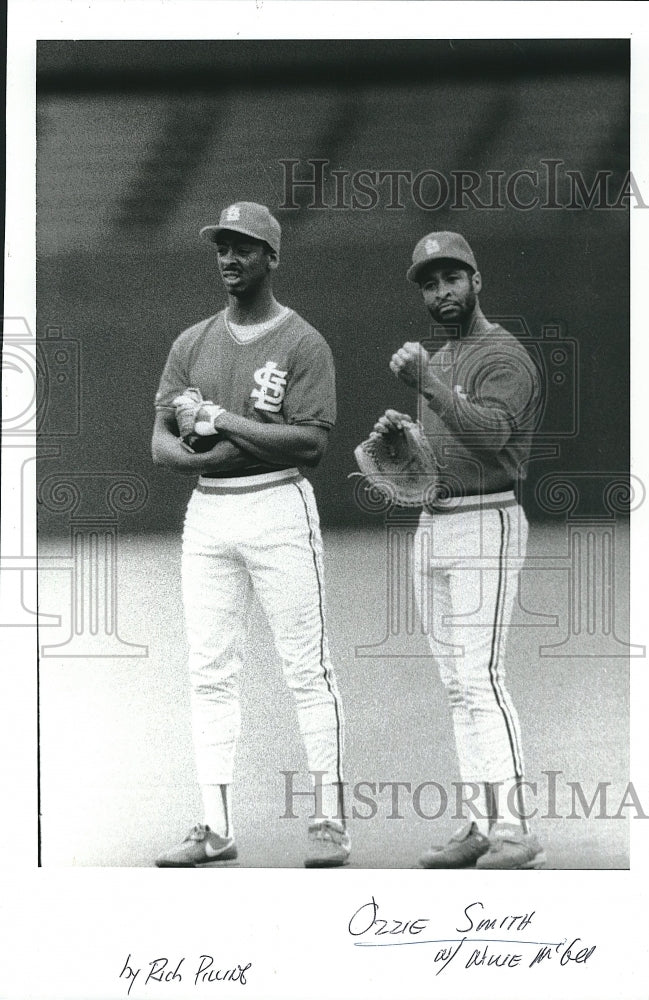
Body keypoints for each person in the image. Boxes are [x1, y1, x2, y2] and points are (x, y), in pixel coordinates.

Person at [151, 201, 349, 868]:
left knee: (307, 669)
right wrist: (201, 452)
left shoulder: (301, 342)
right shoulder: (191, 341)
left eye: (244, 247)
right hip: (208, 512)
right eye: (222, 247)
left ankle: (327, 820)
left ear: (271, 256)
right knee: (208, 671)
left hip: (278, 509)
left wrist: (223, 423)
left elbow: (311, 442)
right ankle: (214, 826)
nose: (229, 258)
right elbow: (160, 441)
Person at [373, 231, 545, 869]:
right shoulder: (437, 357)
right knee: (456, 686)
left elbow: (495, 435)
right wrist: (404, 437)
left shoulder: (505, 354)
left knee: (482, 678)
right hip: (435, 523)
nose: (441, 292)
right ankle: (480, 823)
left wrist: (429, 386)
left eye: (452, 278)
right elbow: (443, 446)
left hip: (486, 522)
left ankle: (517, 830)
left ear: (477, 281)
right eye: (429, 282)